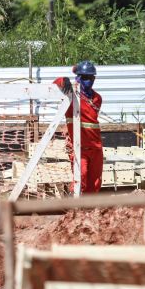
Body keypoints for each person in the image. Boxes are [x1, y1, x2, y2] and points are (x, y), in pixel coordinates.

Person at [54, 61, 104, 193]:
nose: (89, 81)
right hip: (78, 147)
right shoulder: (70, 96)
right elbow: (56, 84)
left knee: (95, 182)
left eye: (92, 77)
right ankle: (74, 210)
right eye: (86, 78)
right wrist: (62, 81)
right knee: (80, 178)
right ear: (78, 78)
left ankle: (90, 211)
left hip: (96, 147)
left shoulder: (97, 98)